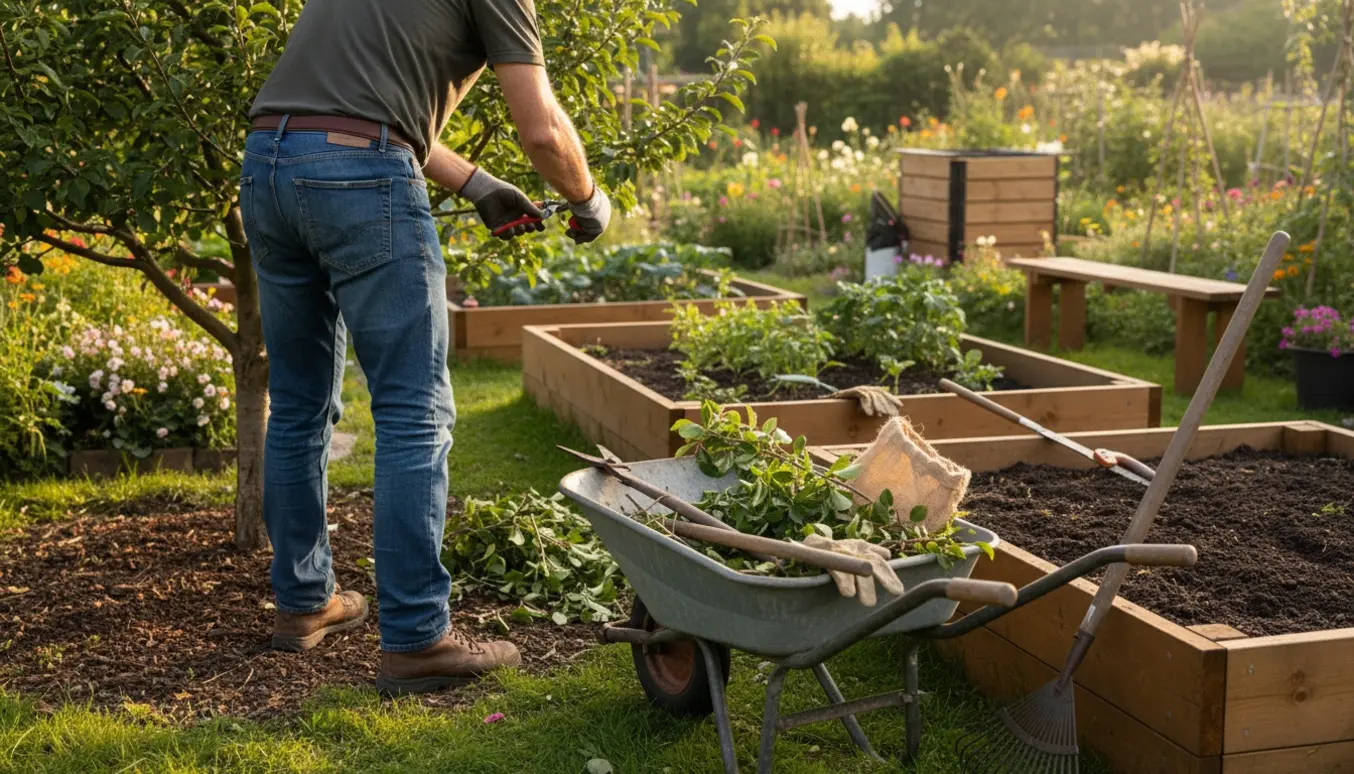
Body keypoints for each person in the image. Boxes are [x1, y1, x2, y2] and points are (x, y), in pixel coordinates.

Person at [240, 0, 611, 696]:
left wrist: (476, 184)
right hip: (360, 178)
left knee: (296, 405)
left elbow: (346, 110)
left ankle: (303, 603)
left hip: (268, 163)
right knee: (415, 413)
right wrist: (589, 200)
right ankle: (416, 638)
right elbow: (543, 132)